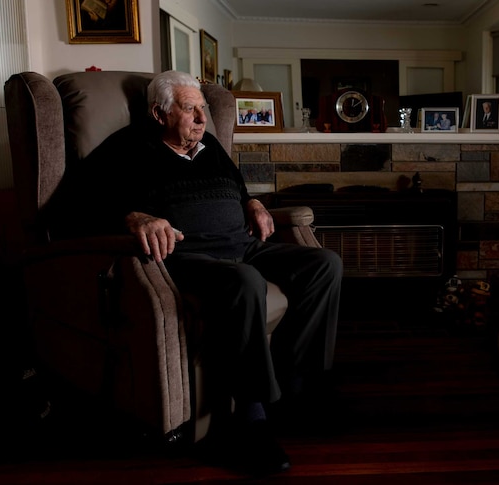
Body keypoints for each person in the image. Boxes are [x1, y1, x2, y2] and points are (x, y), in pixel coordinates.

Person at [54, 70, 343, 476]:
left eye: (202, 110)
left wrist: (253, 203)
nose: (202, 120)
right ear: (159, 113)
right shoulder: (126, 149)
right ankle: (250, 420)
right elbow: (67, 209)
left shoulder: (209, 146)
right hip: (188, 256)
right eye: (190, 109)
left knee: (324, 265)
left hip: (242, 245)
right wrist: (132, 216)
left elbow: (236, 189)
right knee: (246, 282)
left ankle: (298, 388)